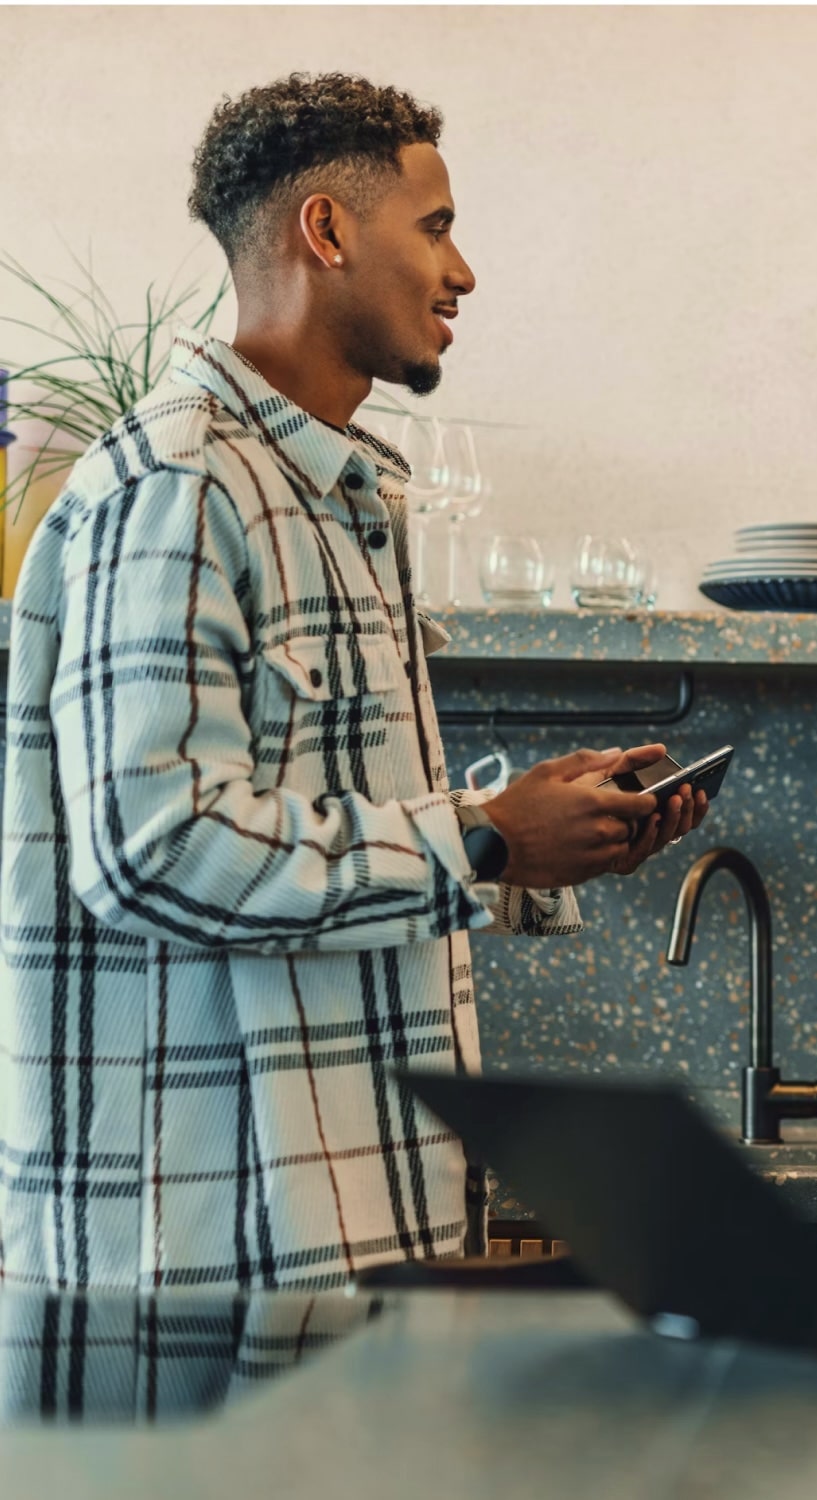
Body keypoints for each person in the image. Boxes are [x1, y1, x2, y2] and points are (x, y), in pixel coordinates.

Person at [0, 73, 704, 1291]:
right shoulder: (179, 485)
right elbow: (153, 848)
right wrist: (478, 844)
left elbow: (317, 833)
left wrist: (526, 839)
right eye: (434, 228)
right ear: (325, 232)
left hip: (343, 1225)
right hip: (208, 1262)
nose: (463, 271)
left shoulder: (331, 497)